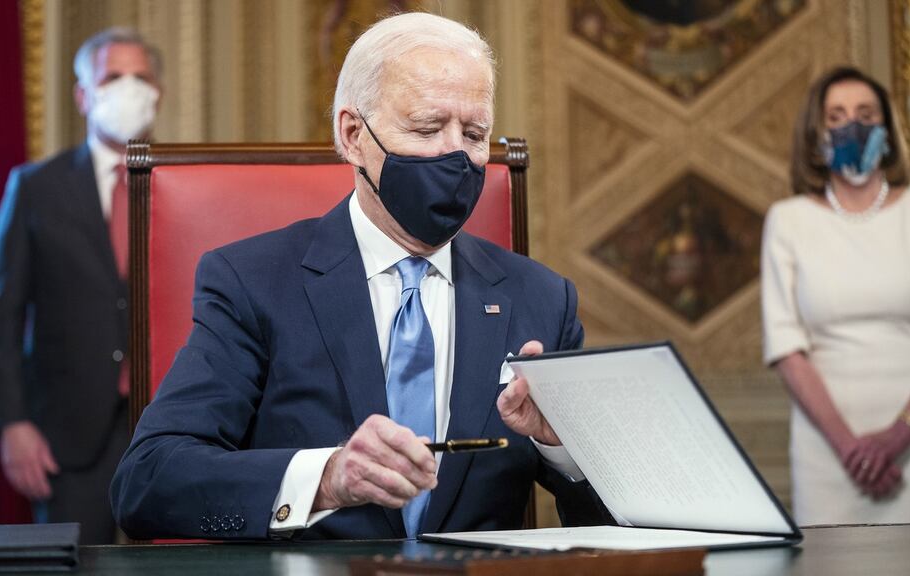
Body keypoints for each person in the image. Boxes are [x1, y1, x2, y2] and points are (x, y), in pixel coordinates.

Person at [110, 12, 609, 540]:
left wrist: (564, 450)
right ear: (353, 135)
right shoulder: (252, 283)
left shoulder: (542, 299)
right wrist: (325, 480)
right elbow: (147, 483)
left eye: (475, 133)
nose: (456, 156)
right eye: (426, 128)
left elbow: (625, 521)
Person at [0, 27, 163, 544]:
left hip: (169, 430)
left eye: (140, 77)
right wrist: (12, 423)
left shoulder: (186, 182)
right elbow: (3, 315)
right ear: (84, 94)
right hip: (69, 437)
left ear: (159, 92)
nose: (128, 88)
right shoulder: (36, 188)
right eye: (112, 77)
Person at [761, 66, 910, 525]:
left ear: (887, 129)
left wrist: (900, 435)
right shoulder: (788, 220)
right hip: (828, 452)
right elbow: (786, 348)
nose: (851, 125)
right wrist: (852, 448)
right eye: (836, 117)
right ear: (817, 134)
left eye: (865, 113)